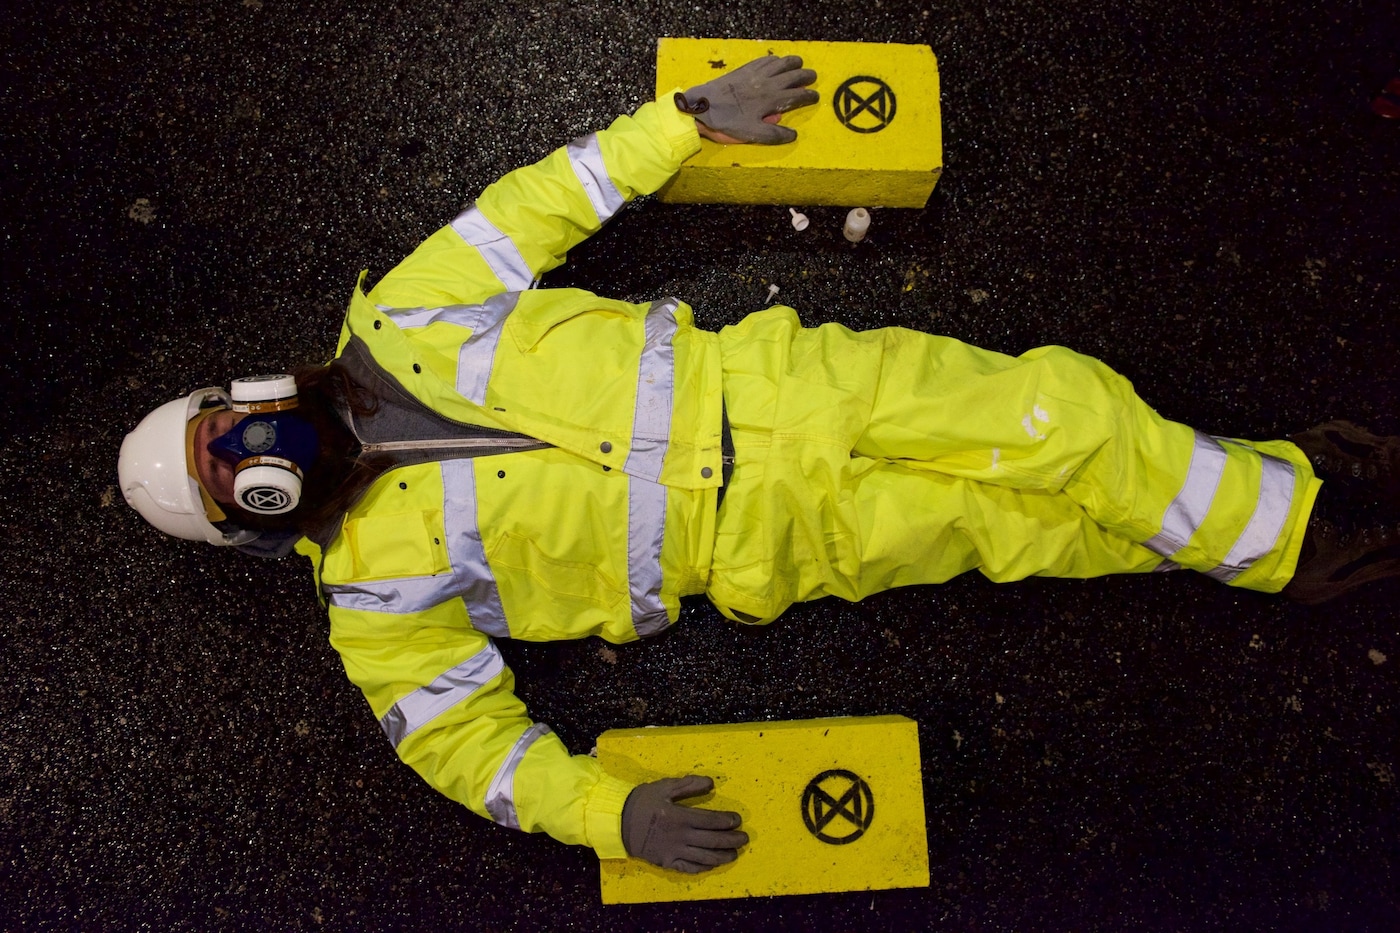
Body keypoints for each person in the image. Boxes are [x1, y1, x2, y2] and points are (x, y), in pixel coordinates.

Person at [118, 56, 1400, 875]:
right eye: (226, 480)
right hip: (770, 542)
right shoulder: (372, 601)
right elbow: (464, 749)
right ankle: (1277, 484)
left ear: (239, 394)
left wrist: (677, 124)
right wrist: (604, 815)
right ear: (249, 524)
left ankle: (1286, 533)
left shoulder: (401, 316)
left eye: (219, 430)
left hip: (787, 383)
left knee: (1053, 409)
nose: (246, 454)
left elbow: (535, 204)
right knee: (1025, 529)